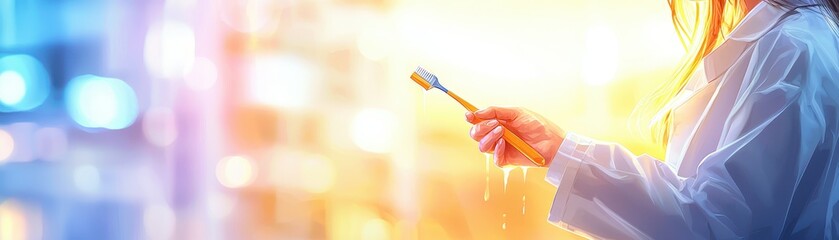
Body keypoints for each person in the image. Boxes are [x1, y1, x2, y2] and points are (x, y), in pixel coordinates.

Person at [465, 0, 839, 239]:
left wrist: (566, 153)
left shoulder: (794, 49)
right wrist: (557, 149)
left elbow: (718, 227)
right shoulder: (786, 41)